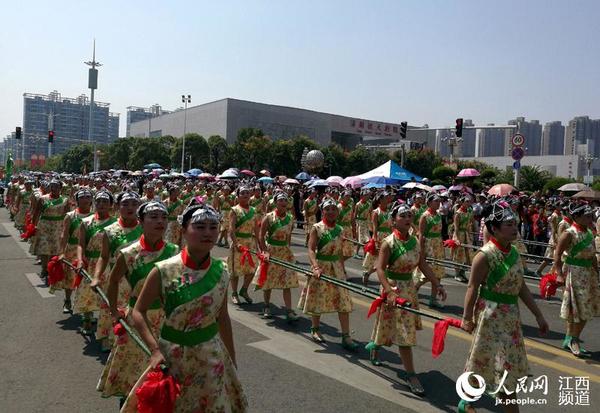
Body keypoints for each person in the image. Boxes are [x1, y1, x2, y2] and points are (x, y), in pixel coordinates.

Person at [120, 201, 247, 412]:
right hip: (173, 356)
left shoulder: (222, 270)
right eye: (199, 227)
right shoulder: (163, 270)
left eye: (213, 227)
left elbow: (222, 317)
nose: (208, 233)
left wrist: (231, 358)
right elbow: (138, 311)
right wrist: (154, 350)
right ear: (183, 231)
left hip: (211, 355)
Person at [459, 200, 548, 413]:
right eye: (507, 225)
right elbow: (472, 287)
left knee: (502, 366)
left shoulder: (515, 253)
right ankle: (467, 400)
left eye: (514, 224)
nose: (514, 228)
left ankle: (471, 400)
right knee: (486, 361)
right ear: (494, 229)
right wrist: (467, 317)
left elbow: (522, 288)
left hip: (511, 318)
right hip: (490, 315)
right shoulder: (484, 255)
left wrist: (538, 315)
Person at [97, 201, 179, 403]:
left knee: (166, 371)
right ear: (141, 221)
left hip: (166, 319)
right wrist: (115, 312)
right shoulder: (129, 253)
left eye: (163, 217)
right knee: (132, 373)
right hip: (137, 319)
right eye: (153, 217)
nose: (160, 221)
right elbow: (114, 281)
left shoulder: (174, 250)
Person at [366, 203, 446, 396]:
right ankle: (409, 373)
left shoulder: (416, 242)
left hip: (409, 289)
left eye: (410, 215)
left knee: (403, 331)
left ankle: (402, 368)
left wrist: (437, 283)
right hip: (392, 288)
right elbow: (380, 269)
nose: (408, 218)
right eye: (403, 215)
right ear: (394, 220)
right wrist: (389, 291)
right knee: (391, 327)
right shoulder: (388, 242)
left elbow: (423, 264)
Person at [298, 198, 358, 350]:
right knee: (318, 298)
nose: (331, 212)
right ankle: (315, 329)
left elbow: (340, 252)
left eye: (333, 209)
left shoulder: (340, 229)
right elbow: (311, 249)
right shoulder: (316, 228)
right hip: (321, 267)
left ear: (337, 212)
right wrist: (315, 266)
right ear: (322, 211)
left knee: (343, 301)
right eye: (327, 209)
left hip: (337, 268)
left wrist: (342, 268)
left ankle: (346, 336)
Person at [91, 190, 142, 352]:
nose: (130, 208)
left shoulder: (146, 229)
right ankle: (108, 338)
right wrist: (96, 276)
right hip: (115, 279)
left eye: (134, 204)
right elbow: (104, 257)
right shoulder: (110, 231)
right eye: (125, 204)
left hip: (139, 278)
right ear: (118, 207)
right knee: (112, 310)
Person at [552, 202, 600, 357]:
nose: (590, 219)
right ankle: (573, 340)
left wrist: (596, 272)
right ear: (576, 217)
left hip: (588, 275)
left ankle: (570, 338)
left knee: (586, 308)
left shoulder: (589, 233)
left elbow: (592, 255)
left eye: (590, 216)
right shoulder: (569, 233)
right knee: (578, 309)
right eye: (586, 216)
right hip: (574, 274)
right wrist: (559, 274)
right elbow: (557, 255)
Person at [73, 190, 117, 335]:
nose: (101, 204)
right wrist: (80, 260)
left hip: (109, 264)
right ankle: (87, 319)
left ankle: (106, 329)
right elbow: (80, 245)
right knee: (87, 293)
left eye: (105, 202)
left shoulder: (116, 224)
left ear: (111, 205)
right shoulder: (86, 222)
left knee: (108, 295)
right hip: (90, 263)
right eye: (98, 201)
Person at [254, 191, 299, 321]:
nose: (283, 203)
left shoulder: (290, 218)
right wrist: (264, 251)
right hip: (271, 250)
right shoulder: (268, 217)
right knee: (269, 281)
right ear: (276, 203)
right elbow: (261, 236)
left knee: (287, 282)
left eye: (285, 200)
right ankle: (267, 306)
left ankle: (289, 310)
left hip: (285, 252)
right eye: (280, 200)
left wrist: (288, 248)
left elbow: (289, 235)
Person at [55, 188, 93, 312]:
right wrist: (61, 252)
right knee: (70, 278)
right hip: (72, 250)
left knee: (87, 280)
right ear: (77, 200)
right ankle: (67, 300)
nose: (85, 200)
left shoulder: (95, 217)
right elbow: (64, 235)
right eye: (82, 197)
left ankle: (87, 309)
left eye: (88, 197)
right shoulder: (70, 216)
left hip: (89, 251)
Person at [32, 179, 70, 283]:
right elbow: (36, 213)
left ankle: (50, 269)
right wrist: (33, 226)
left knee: (55, 250)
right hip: (44, 226)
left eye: (56, 186)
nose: (54, 189)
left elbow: (68, 216)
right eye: (52, 186)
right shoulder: (43, 199)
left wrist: (68, 229)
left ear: (60, 188)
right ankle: (44, 268)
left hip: (58, 227)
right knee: (44, 249)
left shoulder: (65, 200)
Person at [228, 185, 260, 305]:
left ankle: (244, 290)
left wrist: (258, 246)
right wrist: (236, 243)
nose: (246, 195)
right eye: (243, 193)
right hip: (238, 243)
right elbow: (231, 229)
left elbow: (256, 230)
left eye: (247, 193)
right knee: (235, 270)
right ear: (238, 196)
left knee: (252, 269)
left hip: (250, 243)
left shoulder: (254, 210)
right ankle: (234, 293)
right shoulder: (234, 210)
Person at [415, 193, 446, 308]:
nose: (438, 203)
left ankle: (433, 299)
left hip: (437, 244)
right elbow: (421, 234)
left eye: (439, 201)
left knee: (438, 273)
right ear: (429, 202)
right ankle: (416, 286)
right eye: (436, 201)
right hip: (428, 244)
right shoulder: (425, 216)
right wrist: (422, 250)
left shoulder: (438, 215)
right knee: (430, 271)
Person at [362, 191, 393, 286]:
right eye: (386, 198)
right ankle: (368, 273)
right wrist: (375, 238)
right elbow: (375, 226)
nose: (388, 199)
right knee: (374, 257)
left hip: (388, 236)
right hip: (380, 236)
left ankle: (371, 274)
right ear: (381, 199)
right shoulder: (376, 212)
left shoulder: (389, 212)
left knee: (387, 260)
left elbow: (391, 226)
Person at [452, 194, 474, 283]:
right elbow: (456, 227)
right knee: (458, 255)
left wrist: (470, 235)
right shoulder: (458, 213)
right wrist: (457, 238)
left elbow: (469, 225)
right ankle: (457, 274)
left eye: (469, 201)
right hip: (459, 234)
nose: (468, 203)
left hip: (466, 234)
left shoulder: (469, 212)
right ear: (462, 202)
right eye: (467, 201)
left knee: (468, 255)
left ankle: (462, 272)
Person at [352, 188, 372, 258]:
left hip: (366, 223)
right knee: (360, 239)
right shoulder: (358, 204)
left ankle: (365, 253)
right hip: (359, 223)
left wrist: (371, 223)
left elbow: (370, 213)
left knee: (367, 239)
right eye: (365, 195)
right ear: (362, 196)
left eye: (367, 195)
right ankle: (356, 253)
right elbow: (355, 215)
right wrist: (354, 224)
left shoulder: (369, 204)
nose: (367, 197)